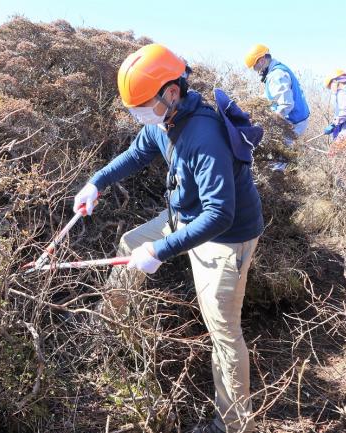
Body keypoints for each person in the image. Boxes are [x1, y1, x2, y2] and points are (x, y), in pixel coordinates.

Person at [74, 43, 264, 433]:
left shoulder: (203, 135)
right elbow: (136, 153)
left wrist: (161, 250)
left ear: (172, 92)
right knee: (130, 244)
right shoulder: (164, 123)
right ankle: (107, 331)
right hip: (185, 216)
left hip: (225, 238)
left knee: (223, 332)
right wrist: (96, 183)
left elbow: (220, 214)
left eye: (143, 106)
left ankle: (231, 425)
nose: (139, 115)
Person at [244, 44, 310, 171]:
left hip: (294, 120)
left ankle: (279, 177)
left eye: (255, 67)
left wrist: (268, 123)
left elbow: (285, 105)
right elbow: (272, 96)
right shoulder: (275, 72)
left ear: (262, 60)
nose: (256, 71)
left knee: (280, 151)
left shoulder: (277, 75)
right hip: (295, 117)